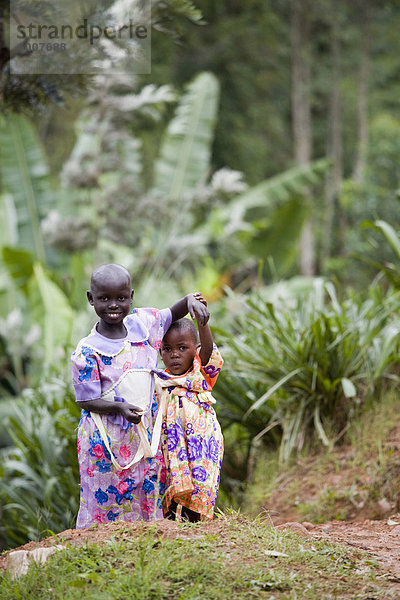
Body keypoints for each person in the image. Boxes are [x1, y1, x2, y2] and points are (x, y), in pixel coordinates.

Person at [71, 263, 209, 528]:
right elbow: (85, 400)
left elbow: (172, 312)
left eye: (121, 298)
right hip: (104, 437)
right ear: (91, 299)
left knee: (146, 491)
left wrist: (190, 300)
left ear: (131, 296)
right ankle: (101, 550)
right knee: (106, 498)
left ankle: (147, 546)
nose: (113, 305)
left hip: (143, 435)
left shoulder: (144, 326)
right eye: (104, 298)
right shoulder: (88, 351)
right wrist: (119, 409)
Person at [156, 306, 224, 522]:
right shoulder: (158, 381)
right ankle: (171, 526)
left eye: (182, 348)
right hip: (171, 446)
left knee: (198, 485)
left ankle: (193, 524)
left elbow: (208, 350)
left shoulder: (199, 374)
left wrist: (202, 323)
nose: (174, 354)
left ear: (195, 350)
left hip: (200, 446)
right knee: (170, 483)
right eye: (167, 349)